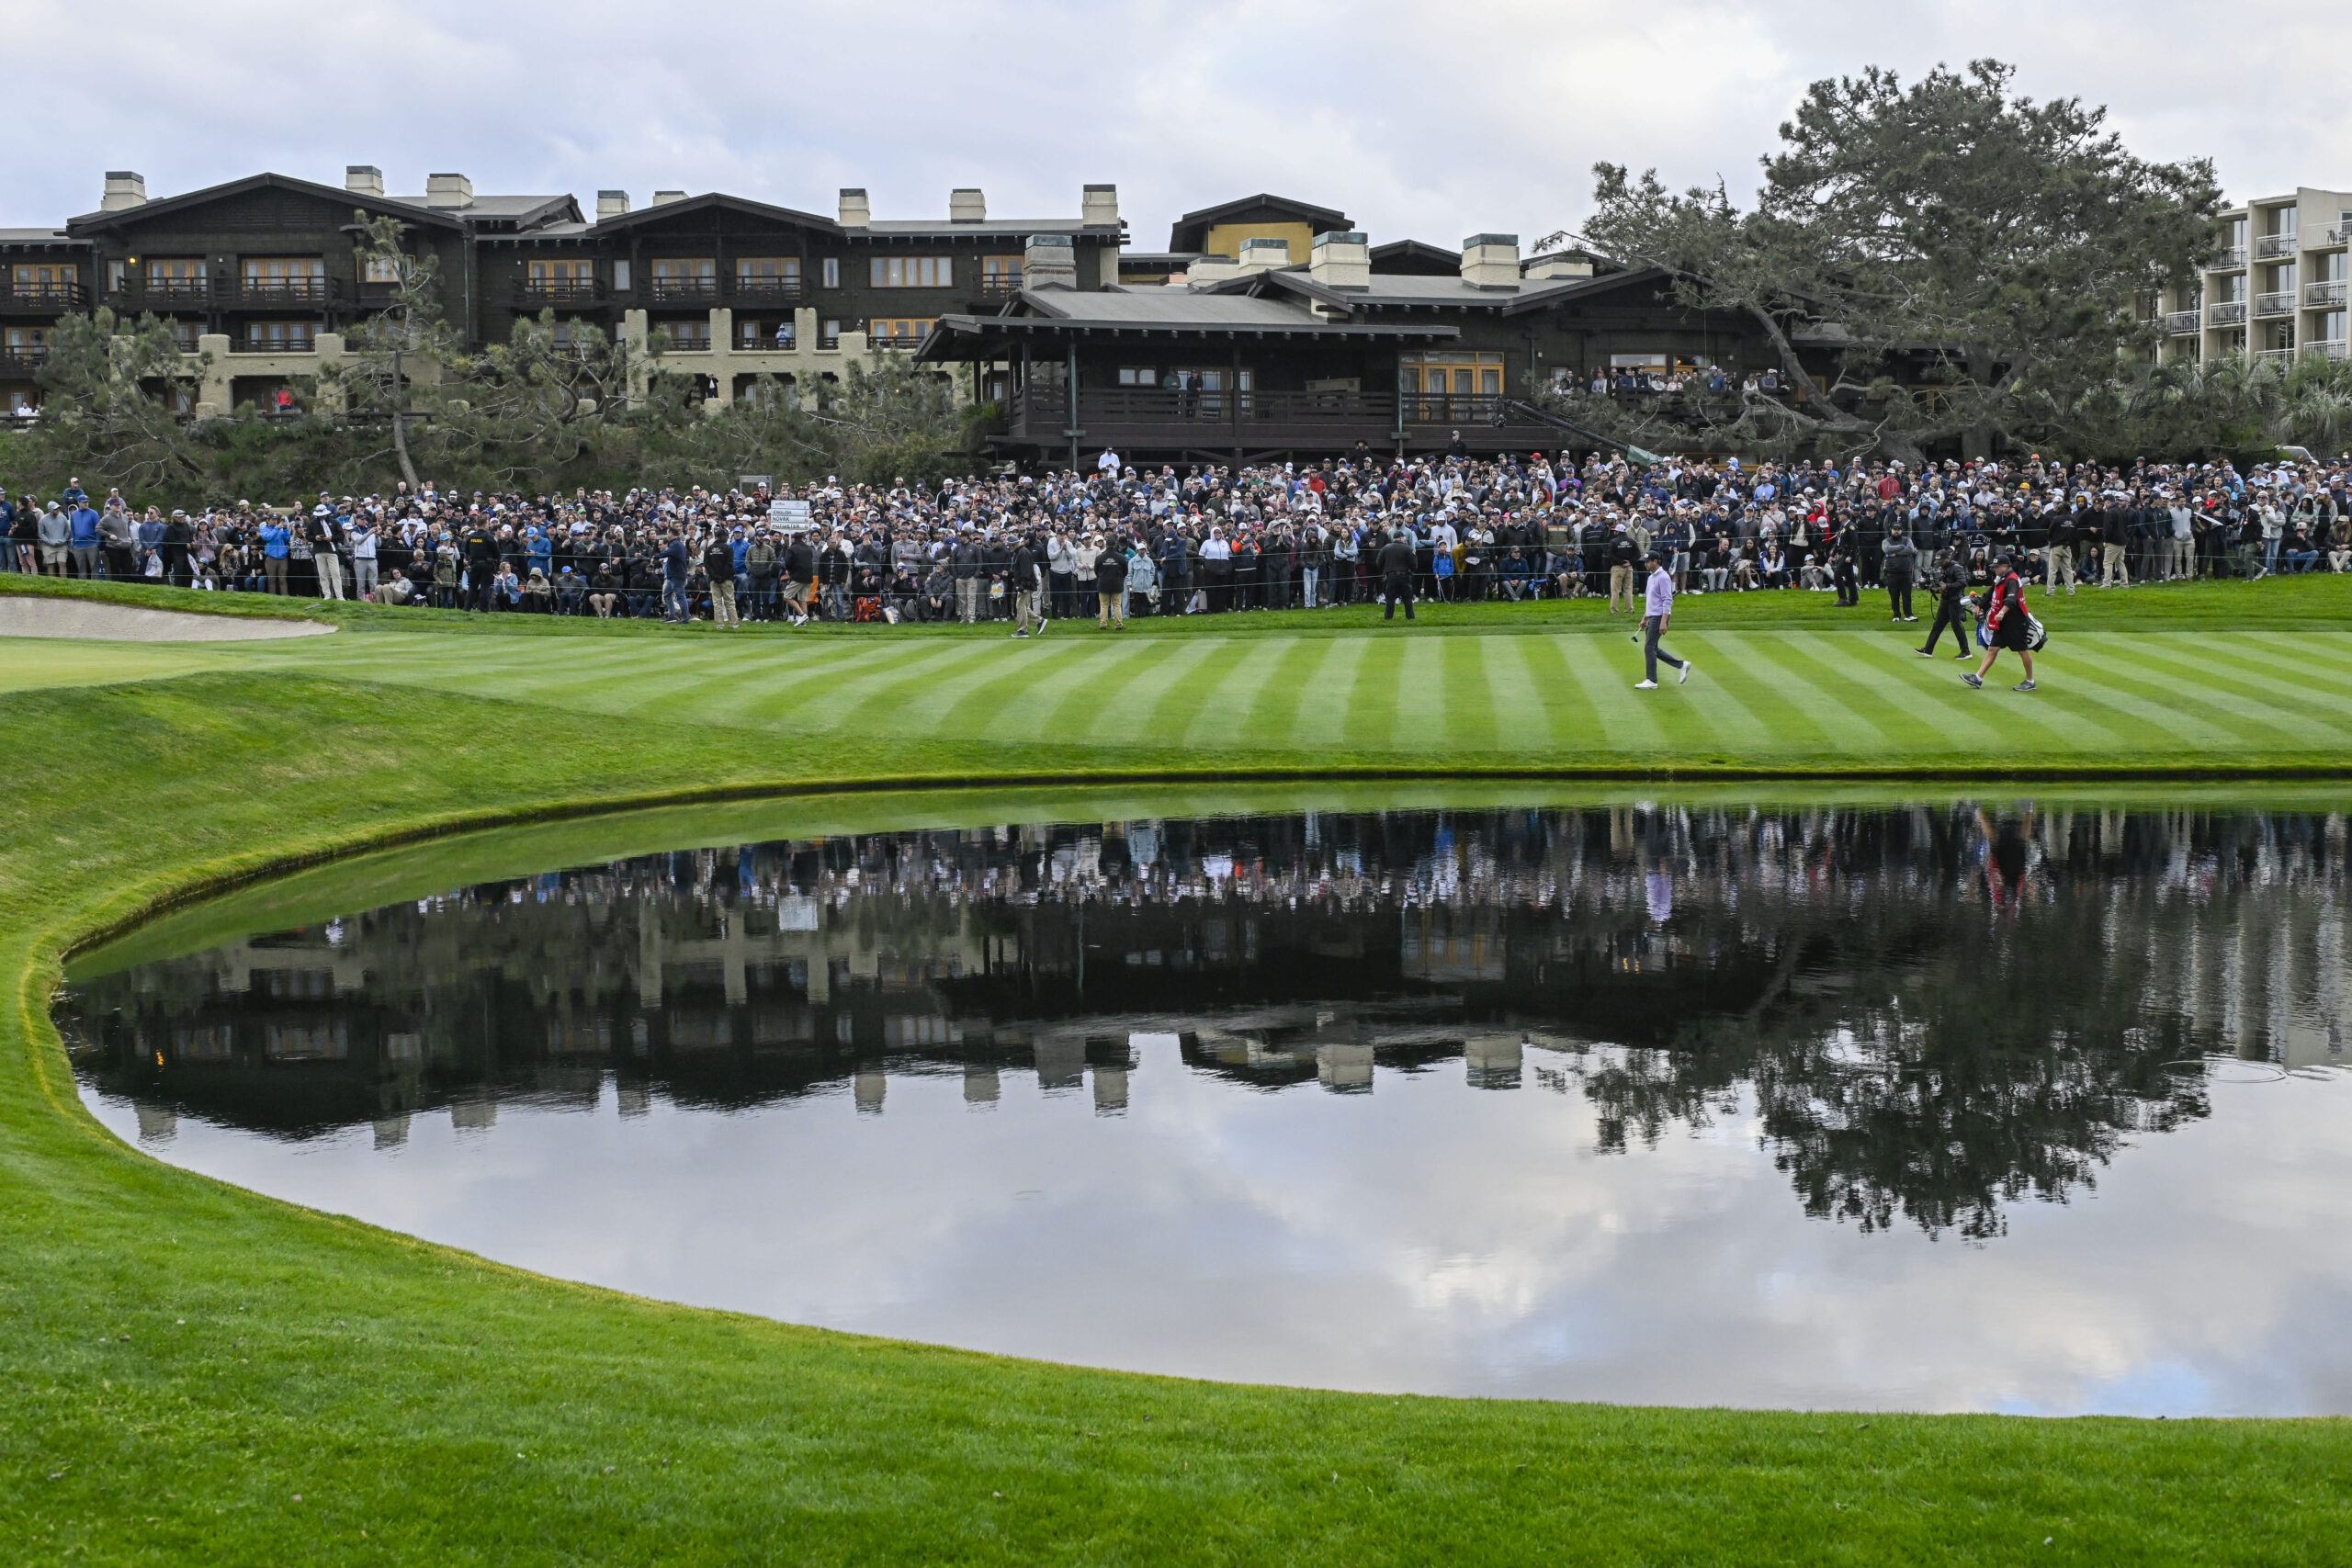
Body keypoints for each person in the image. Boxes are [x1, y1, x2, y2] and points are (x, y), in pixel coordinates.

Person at [1963, 552, 2038, 692]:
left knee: (2023, 651)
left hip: (2015, 621)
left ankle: (2030, 681)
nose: (1994, 569)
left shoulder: (2012, 580)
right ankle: (1978, 678)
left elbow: (2011, 599)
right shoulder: (2001, 578)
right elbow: (1990, 593)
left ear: (2005, 566)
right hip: (2004, 622)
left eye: (1997, 567)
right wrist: (1980, 605)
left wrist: (2002, 612)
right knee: (1993, 648)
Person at [1634, 549, 1693, 690]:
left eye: (1648, 562)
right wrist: (1644, 618)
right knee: (1653, 648)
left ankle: (1652, 680)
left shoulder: (1663, 577)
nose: (1646, 564)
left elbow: (1667, 601)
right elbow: (1651, 601)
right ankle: (1681, 665)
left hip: (1660, 616)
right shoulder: (1651, 577)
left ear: (1655, 562)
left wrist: (1663, 621)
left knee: (1649, 647)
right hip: (1653, 615)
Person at [1917, 547, 1974, 660]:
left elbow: (1962, 583)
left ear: (1948, 558)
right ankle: (1928, 650)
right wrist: (1929, 587)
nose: (1940, 563)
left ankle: (1966, 652)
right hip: (1945, 599)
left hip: (1955, 600)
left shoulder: (1956, 568)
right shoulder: (1942, 568)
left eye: (1942, 561)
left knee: (1956, 625)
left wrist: (1947, 587)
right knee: (1937, 625)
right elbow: (1940, 584)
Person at [1376, 527, 1417, 620]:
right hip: (1404, 576)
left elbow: (1378, 563)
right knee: (1407, 598)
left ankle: (1388, 617)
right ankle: (1410, 617)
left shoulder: (1386, 548)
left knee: (1390, 598)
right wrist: (1411, 571)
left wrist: (1385, 570)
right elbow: (1414, 564)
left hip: (1390, 576)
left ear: (1393, 539)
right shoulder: (1407, 548)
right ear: (1402, 538)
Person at [1882, 522, 1917, 622]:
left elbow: (1910, 550)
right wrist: (1901, 547)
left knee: (1907, 595)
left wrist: (1895, 553)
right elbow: (1887, 549)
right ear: (1891, 530)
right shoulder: (1886, 541)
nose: (1896, 531)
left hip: (1906, 571)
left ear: (1901, 531)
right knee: (1894, 595)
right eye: (1894, 529)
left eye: (1898, 529)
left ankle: (1909, 614)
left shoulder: (1907, 540)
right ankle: (1896, 615)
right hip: (1891, 572)